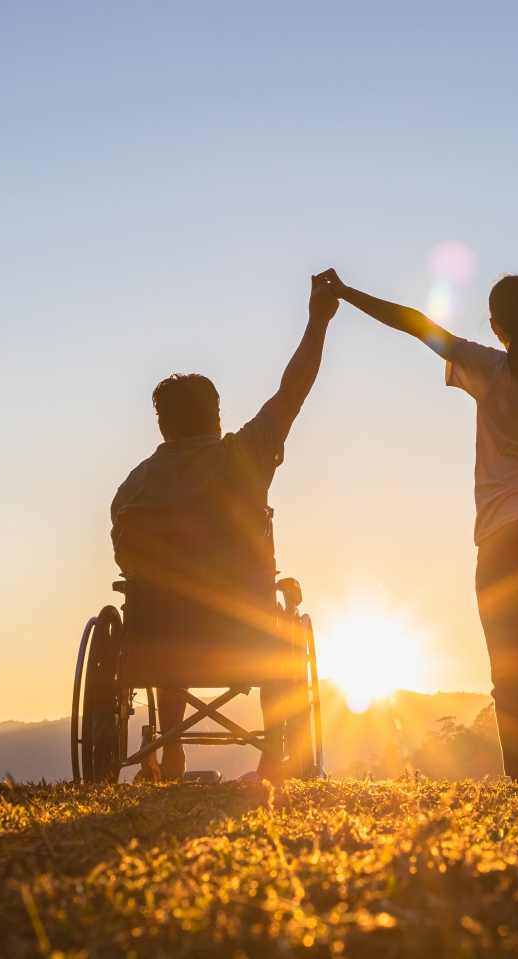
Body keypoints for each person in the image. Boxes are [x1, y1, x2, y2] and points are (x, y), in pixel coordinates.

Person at [318, 210, 518, 784]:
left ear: (495, 326)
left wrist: (345, 293)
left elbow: (415, 322)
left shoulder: (484, 366)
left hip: (501, 539)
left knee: (509, 672)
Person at [110, 274, 340, 783]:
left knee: (165, 598)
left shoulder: (132, 491)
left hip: (158, 642)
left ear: (162, 425)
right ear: (216, 417)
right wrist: (317, 321)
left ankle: (172, 754)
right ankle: (272, 752)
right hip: (244, 634)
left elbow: (130, 565)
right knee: (275, 614)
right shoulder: (244, 456)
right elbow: (294, 387)